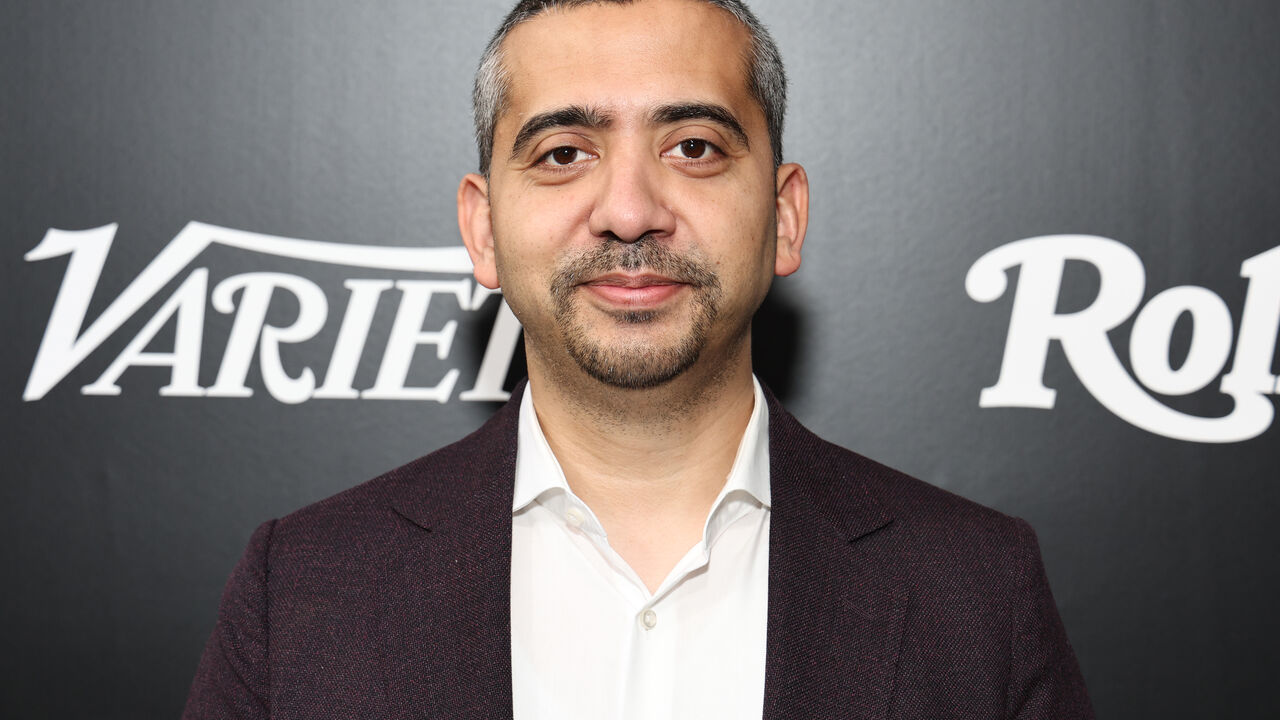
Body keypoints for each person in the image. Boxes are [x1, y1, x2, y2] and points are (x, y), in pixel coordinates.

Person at [184, 0, 1094, 717]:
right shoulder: (302, 588)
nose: (628, 209)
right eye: (563, 152)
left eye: (693, 148)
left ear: (783, 216)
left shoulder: (975, 588)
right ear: (482, 228)